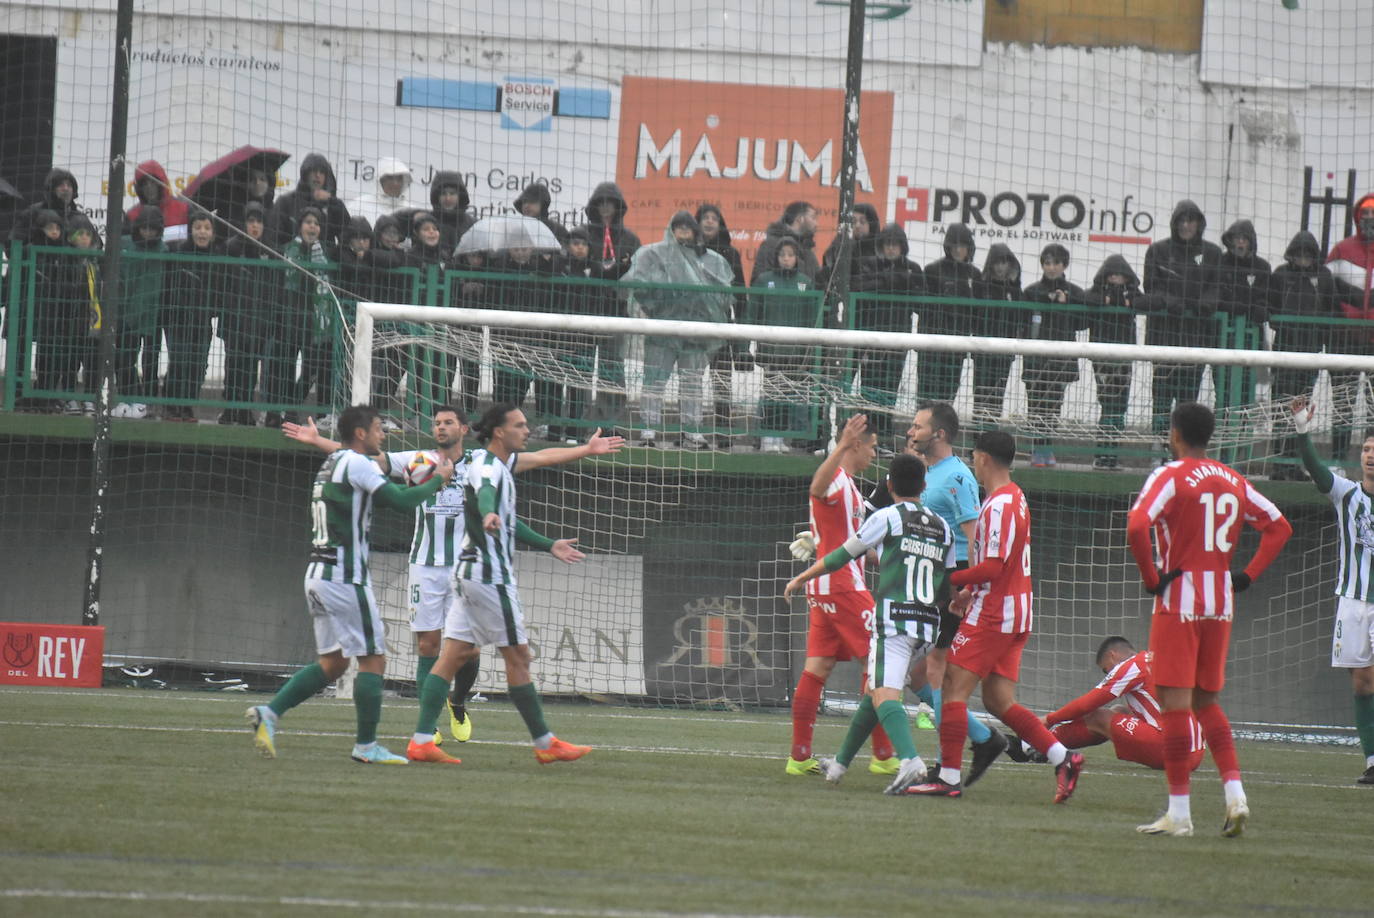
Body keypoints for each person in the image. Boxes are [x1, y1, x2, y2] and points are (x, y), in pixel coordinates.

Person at [246, 404, 455, 764]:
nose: (383, 435)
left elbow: (383, 491)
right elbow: (401, 503)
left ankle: (271, 712)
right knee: (373, 659)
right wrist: (438, 480)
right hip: (345, 576)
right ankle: (366, 745)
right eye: (378, 428)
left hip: (317, 573)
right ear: (361, 433)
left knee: (333, 663)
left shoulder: (335, 463)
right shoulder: (357, 463)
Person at [1126, 402, 1292, 836]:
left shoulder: (1170, 475)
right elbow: (1279, 526)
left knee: (1176, 706)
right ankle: (1235, 795)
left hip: (1179, 600)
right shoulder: (1232, 479)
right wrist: (1247, 576)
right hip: (1220, 602)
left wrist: (1151, 579)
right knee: (1207, 703)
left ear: (1176, 433)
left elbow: (1136, 523)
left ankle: (1179, 814)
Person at [406, 403, 594, 765]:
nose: (527, 430)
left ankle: (421, 741)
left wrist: (547, 543)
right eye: (520, 425)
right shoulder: (488, 468)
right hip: (489, 576)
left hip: (467, 572)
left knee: (451, 657)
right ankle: (545, 742)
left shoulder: (492, 463)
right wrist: (489, 510)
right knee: (518, 656)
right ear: (499, 432)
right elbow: (488, 492)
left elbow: (509, 501)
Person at [906, 430, 1085, 801]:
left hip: (996, 615)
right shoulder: (1014, 498)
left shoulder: (1001, 504)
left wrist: (951, 579)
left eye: (975, 456)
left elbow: (992, 566)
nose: (973, 462)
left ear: (984, 458)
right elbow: (1001, 566)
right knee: (998, 700)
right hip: (1013, 611)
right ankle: (1062, 757)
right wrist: (969, 591)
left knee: (953, 685)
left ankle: (949, 778)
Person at [785, 451, 950, 793]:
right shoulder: (942, 526)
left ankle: (908, 758)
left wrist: (804, 575)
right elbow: (948, 579)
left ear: (890, 486)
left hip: (891, 618)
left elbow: (842, 555)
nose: (873, 452)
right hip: (927, 621)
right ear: (924, 485)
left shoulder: (887, 516)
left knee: (883, 691)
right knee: (873, 686)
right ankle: (842, 763)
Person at [781, 414, 897, 776]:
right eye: (873, 447)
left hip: (826, 586)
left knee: (818, 667)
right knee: (879, 661)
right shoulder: (836, 480)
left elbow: (851, 541)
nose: (874, 456)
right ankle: (883, 755)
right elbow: (816, 489)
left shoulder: (850, 487)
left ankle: (799, 759)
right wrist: (841, 446)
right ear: (857, 444)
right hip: (842, 585)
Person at [1290, 397, 1374, 785]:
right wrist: (1303, 429)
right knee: (1362, 683)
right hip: (1353, 601)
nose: (1371, 455)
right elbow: (1314, 468)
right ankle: (1372, 762)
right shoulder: (1346, 493)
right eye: (1367, 448)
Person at [624, 211, 733, 449]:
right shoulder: (654, 254)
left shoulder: (711, 259)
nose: (684, 232)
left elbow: (724, 294)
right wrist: (657, 306)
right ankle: (648, 431)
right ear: (671, 230)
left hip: (694, 332)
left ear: (695, 232)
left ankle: (691, 432)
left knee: (692, 382)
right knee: (654, 380)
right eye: (679, 227)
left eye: (688, 228)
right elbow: (639, 285)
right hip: (662, 331)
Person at [1033, 636, 1204, 773]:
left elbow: (1089, 703)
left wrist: (1050, 719)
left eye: (1106, 670)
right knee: (1119, 710)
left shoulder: (1133, 667)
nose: (1108, 673)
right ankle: (1044, 746)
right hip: (1195, 752)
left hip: (1170, 750)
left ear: (1112, 655)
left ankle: (1037, 744)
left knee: (1098, 716)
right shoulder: (1156, 660)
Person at [1268, 232, 1342, 476]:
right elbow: (1270, 309)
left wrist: (1319, 328)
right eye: (1298, 254)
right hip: (1284, 351)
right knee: (1281, 406)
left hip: (1311, 352)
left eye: (1307, 254)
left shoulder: (1323, 277)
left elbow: (1332, 309)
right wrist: (1284, 323)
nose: (1302, 258)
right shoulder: (1280, 275)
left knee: (1301, 408)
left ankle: (1296, 461)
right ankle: (1279, 463)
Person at [1142, 200, 1222, 425]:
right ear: (1175, 223)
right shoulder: (1158, 251)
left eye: (1191, 221)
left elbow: (1216, 289)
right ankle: (1158, 446)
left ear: (1199, 224)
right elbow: (1151, 287)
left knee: (1188, 402)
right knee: (1161, 397)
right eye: (1182, 221)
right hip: (1163, 338)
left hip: (1196, 339)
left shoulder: (1213, 253)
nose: (1186, 226)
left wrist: (1201, 305)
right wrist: (1170, 302)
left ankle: (1182, 450)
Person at [851, 222, 924, 447]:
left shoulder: (913, 268)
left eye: (895, 245)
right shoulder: (868, 265)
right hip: (871, 338)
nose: (891, 249)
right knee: (869, 388)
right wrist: (891, 280)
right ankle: (866, 438)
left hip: (897, 339)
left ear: (903, 247)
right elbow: (861, 288)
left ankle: (883, 439)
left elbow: (920, 298)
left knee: (890, 389)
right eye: (887, 244)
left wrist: (892, 281)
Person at [749, 235, 820, 452]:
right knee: (770, 394)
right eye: (782, 255)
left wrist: (807, 350)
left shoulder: (805, 283)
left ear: (797, 258)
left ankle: (782, 438)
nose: (786, 259)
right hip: (772, 351)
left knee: (790, 394)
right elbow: (754, 313)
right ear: (776, 257)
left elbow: (812, 318)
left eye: (790, 255)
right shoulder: (764, 280)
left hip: (795, 353)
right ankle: (767, 437)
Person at [1021, 244, 1086, 466]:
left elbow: (1083, 322)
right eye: (1047, 263)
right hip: (1035, 358)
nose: (1051, 268)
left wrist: (1064, 305)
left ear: (1064, 265)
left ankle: (1048, 447)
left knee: (1054, 404)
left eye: (1056, 263)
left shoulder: (1075, 293)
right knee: (1035, 403)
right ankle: (1036, 448)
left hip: (1062, 358)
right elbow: (1021, 322)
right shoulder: (1031, 291)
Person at [220, 201, 279, 425]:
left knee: (251, 369)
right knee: (232, 366)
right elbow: (223, 283)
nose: (254, 226)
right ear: (243, 223)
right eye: (250, 221)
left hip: (259, 321)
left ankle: (245, 410)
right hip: (234, 318)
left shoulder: (271, 250)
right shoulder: (231, 247)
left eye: (259, 222)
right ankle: (229, 409)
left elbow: (274, 287)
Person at [1085, 254, 1146, 470]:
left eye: (1119, 275)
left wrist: (1125, 301)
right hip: (1102, 356)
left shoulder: (1133, 293)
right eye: (1112, 275)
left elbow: (1147, 302)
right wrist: (1107, 300)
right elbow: (1085, 299)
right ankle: (1103, 453)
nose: (1115, 279)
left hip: (1124, 356)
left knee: (1120, 405)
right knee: (1107, 403)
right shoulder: (1097, 293)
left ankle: (1114, 453)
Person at [162, 209, 221, 420]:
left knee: (199, 365)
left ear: (213, 232)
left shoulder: (218, 257)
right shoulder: (177, 253)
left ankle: (187, 404)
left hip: (202, 321)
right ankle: (171, 404)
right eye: (197, 228)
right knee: (179, 361)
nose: (202, 232)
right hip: (177, 319)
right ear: (190, 230)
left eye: (207, 228)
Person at [114, 205, 167, 419]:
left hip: (153, 314)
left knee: (151, 361)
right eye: (144, 228)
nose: (148, 233)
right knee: (125, 358)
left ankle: (148, 401)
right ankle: (127, 396)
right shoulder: (125, 246)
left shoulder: (163, 250)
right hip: (128, 312)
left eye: (152, 229)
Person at [920, 223, 981, 403]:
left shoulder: (975, 274)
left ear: (969, 248)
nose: (957, 250)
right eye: (953, 245)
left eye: (962, 245)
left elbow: (978, 311)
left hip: (958, 343)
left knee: (948, 395)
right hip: (932, 344)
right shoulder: (932, 270)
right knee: (926, 396)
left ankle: (943, 429)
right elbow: (923, 307)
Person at [271, 154, 351, 257]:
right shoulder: (286, 201)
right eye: (314, 171)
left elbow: (348, 236)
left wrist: (333, 202)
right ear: (305, 173)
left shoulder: (334, 204)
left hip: (324, 266)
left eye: (322, 172)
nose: (318, 175)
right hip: (290, 263)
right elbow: (273, 238)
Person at [751, 201, 819, 286]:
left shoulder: (807, 248)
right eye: (813, 218)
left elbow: (816, 285)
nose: (816, 224)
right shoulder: (770, 245)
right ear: (799, 219)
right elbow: (758, 283)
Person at [9, 167, 80, 244]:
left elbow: (92, 246)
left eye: (69, 185)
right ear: (51, 189)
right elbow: (12, 245)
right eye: (61, 185)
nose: (66, 188)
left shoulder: (79, 217)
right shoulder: (33, 212)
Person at [125, 160, 188, 243]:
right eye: (145, 184)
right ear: (139, 188)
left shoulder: (183, 209)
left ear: (162, 184)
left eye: (153, 182)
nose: (149, 187)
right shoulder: (132, 215)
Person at [348, 157, 417, 228]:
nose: (395, 183)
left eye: (399, 178)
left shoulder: (411, 211)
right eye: (390, 178)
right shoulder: (358, 205)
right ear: (380, 180)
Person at [513, 182, 569, 248]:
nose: (526, 206)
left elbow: (565, 255)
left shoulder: (557, 229)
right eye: (524, 202)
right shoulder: (517, 229)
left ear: (542, 204)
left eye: (532, 201)